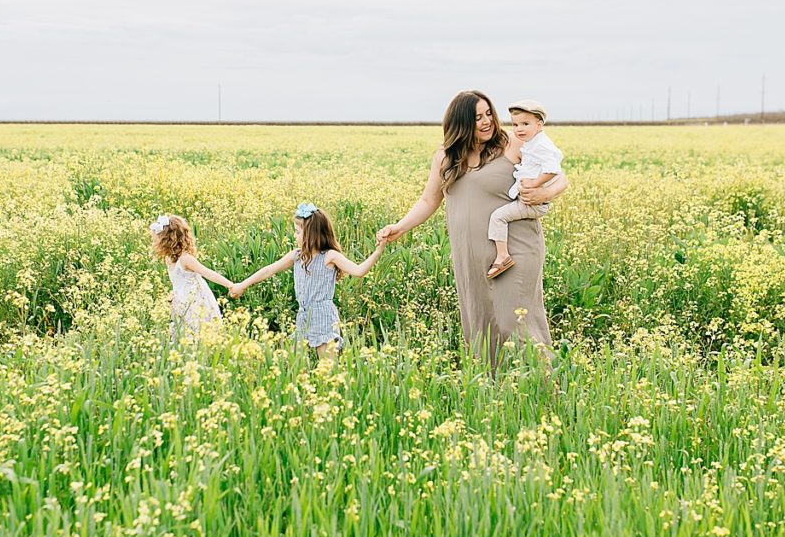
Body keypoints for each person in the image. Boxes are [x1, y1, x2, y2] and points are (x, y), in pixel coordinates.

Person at [376, 91, 568, 368]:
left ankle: (541, 390)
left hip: (515, 251)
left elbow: (561, 177)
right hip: (470, 255)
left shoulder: (512, 144)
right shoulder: (445, 157)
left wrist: (542, 194)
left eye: (489, 113)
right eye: (478, 117)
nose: (487, 121)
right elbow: (429, 200)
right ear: (461, 122)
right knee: (482, 322)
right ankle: (496, 393)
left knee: (516, 322)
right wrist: (399, 227)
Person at [230, 202, 385, 359]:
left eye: (298, 232)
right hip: (303, 315)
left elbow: (359, 271)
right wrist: (243, 285)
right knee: (295, 363)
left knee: (328, 367)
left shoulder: (329, 256)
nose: (295, 236)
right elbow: (269, 270)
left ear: (311, 234)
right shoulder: (297, 256)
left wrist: (378, 251)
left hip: (323, 316)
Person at [486, 99, 564, 279]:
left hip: (533, 203)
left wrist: (535, 184)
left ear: (539, 125)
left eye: (525, 124)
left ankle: (503, 256)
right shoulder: (531, 143)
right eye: (515, 124)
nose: (519, 129)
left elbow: (554, 170)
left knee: (498, 217)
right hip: (530, 200)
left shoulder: (541, 145)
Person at [150, 214, 234, 340]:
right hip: (181, 300)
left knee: (197, 329)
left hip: (196, 299)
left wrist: (230, 285)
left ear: (168, 239)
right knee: (185, 331)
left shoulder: (185, 259)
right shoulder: (170, 258)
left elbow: (208, 273)